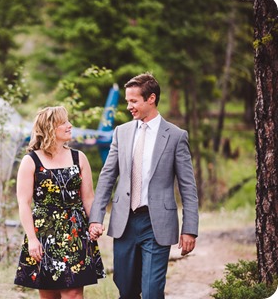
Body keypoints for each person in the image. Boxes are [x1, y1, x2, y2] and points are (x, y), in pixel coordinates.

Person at [89, 73, 199, 299]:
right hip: (124, 222)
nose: (129, 106)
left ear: (151, 99)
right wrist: (96, 217)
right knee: (126, 289)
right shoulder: (122, 132)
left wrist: (190, 229)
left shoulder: (176, 136)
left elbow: (188, 187)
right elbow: (107, 176)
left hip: (156, 223)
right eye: (127, 101)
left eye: (133, 101)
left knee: (151, 291)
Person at [14, 106, 105, 298]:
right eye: (63, 122)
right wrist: (32, 239)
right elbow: (24, 203)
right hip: (44, 233)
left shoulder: (78, 157)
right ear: (49, 128)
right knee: (49, 295)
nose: (70, 125)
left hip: (75, 231)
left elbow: (88, 197)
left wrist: (95, 222)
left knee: (73, 293)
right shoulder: (30, 161)